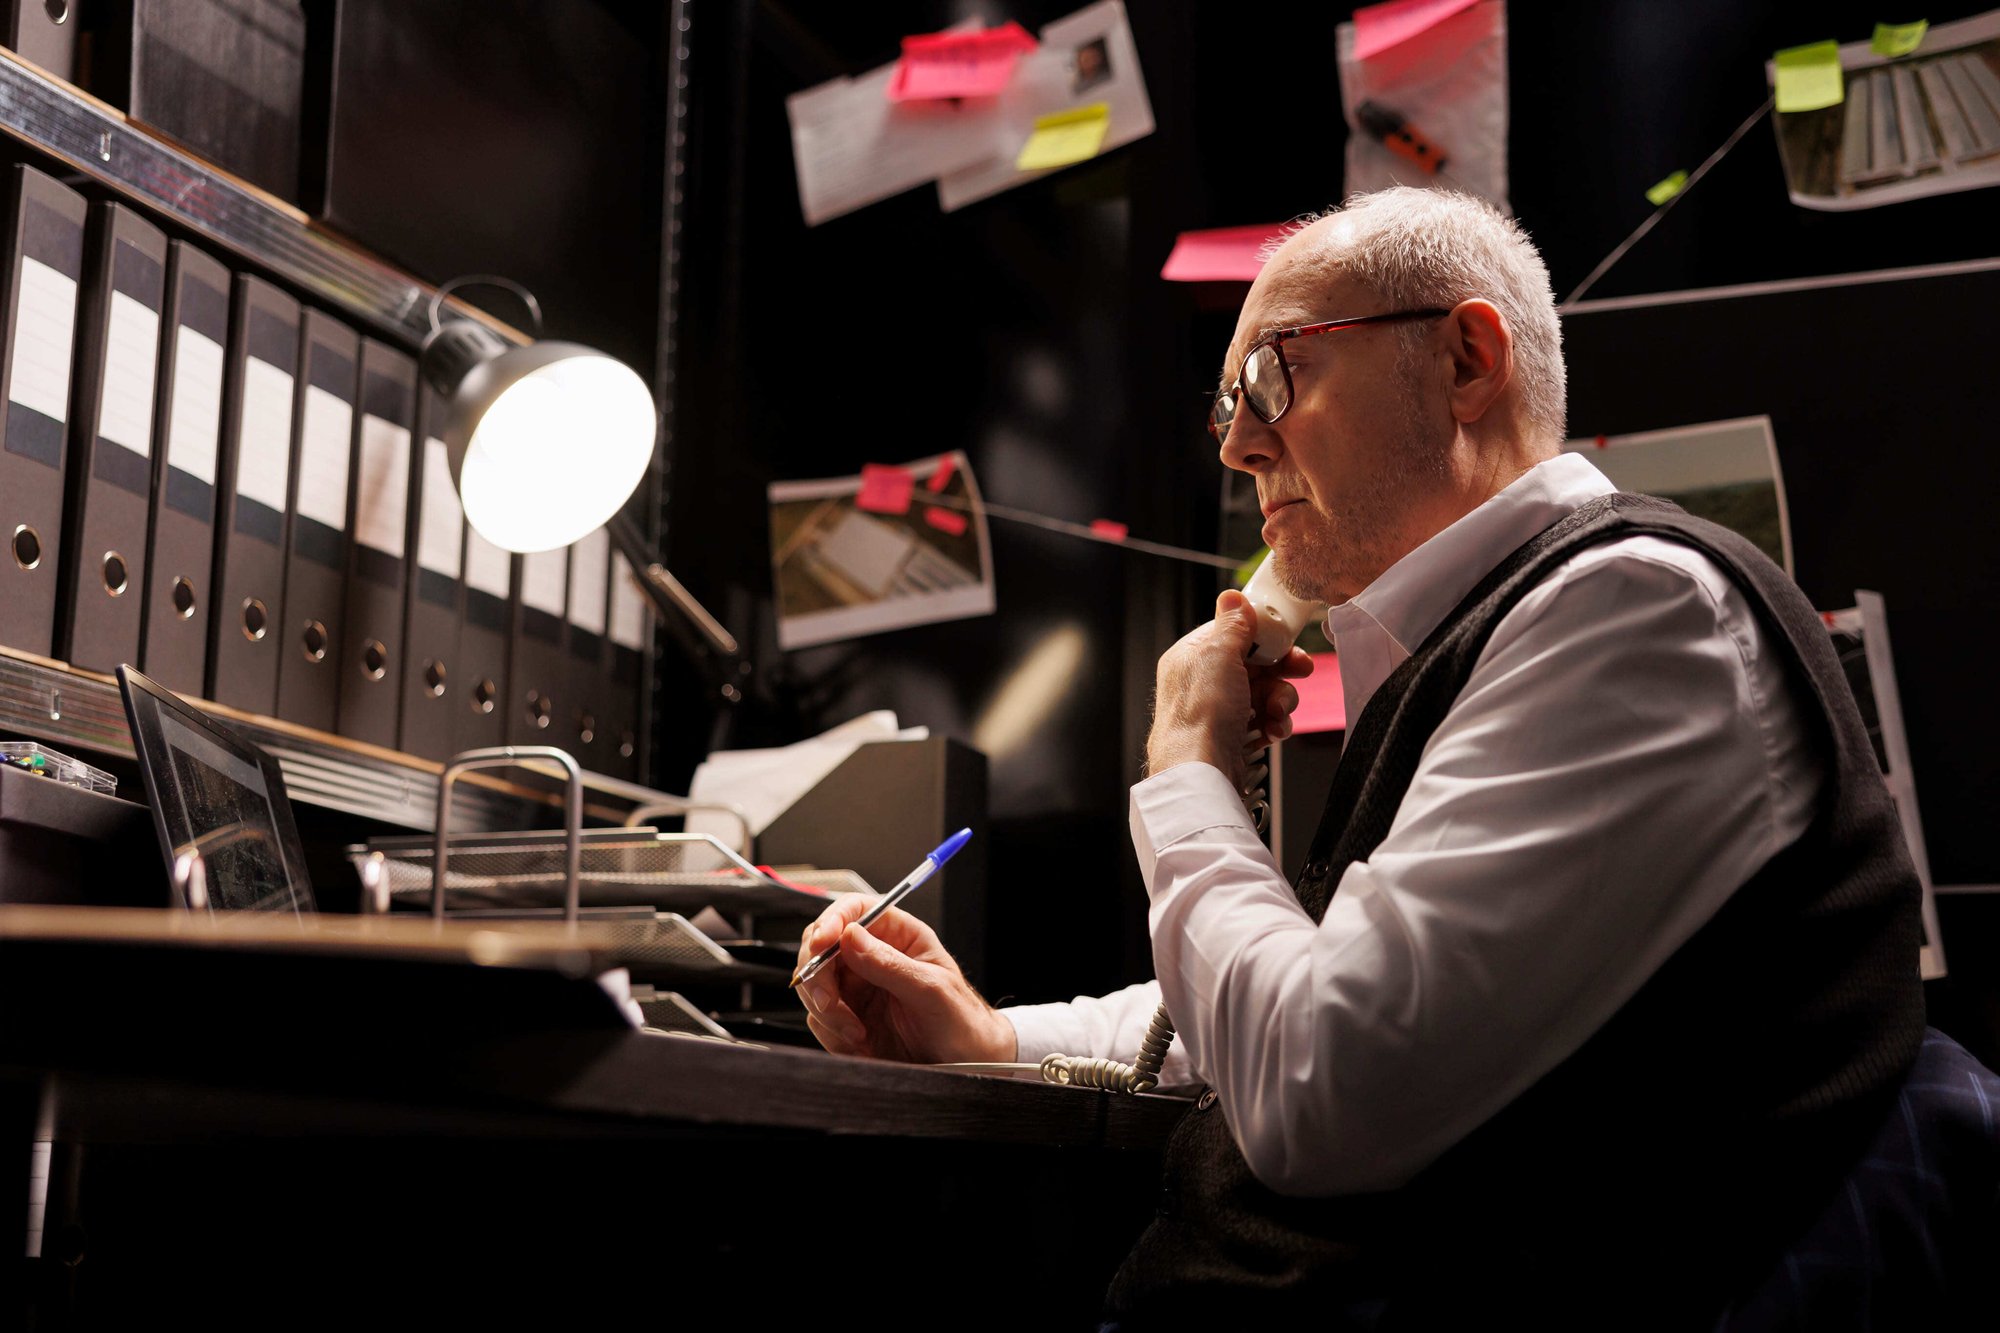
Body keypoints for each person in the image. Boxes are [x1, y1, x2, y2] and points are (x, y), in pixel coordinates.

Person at [794, 187, 1924, 1326]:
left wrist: (1185, 764)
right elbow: (1302, 1002)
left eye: (1273, 376)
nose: (1238, 444)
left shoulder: (1631, 609)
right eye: (1224, 407)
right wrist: (991, 1038)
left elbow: (1313, 1082)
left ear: (1465, 360)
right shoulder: (1490, 633)